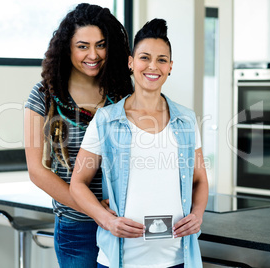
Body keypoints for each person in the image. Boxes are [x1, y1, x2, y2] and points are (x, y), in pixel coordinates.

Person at [70, 18, 209, 268]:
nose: (153, 66)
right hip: (120, 260)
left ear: (170, 67)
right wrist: (106, 220)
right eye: (144, 57)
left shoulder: (186, 120)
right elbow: (78, 184)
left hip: (178, 259)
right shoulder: (106, 120)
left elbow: (199, 180)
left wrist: (197, 215)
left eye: (162, 59)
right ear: (131, 63)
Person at [24, 3, 133, 267]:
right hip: (76, 228)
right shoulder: (43, 95)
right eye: (83, 46)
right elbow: (36, 170)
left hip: (122, 223)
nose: (93, 54)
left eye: (101, 44)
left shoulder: (122, 93)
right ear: (67, 48)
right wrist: (97, 213)